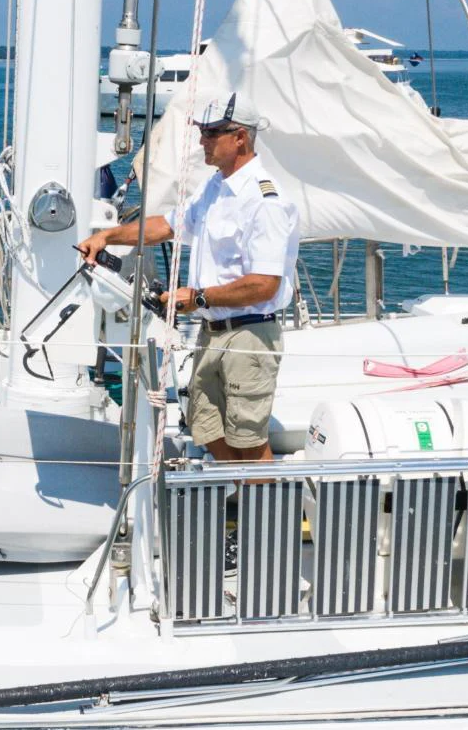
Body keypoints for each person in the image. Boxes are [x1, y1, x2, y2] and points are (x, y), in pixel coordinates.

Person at [76, 93, 301, 462]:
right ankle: (241, 498)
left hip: (250, 333)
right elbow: (167, 225)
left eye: (212, 133)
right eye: (202, 132)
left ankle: (262, 514)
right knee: (204, 425)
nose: (202, 141)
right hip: (213, 332)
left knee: (248, 441)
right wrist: (107, 236)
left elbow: (265, 284)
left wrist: (196, 299)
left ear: (240, 137)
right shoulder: (215, 187)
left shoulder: (265, 201)